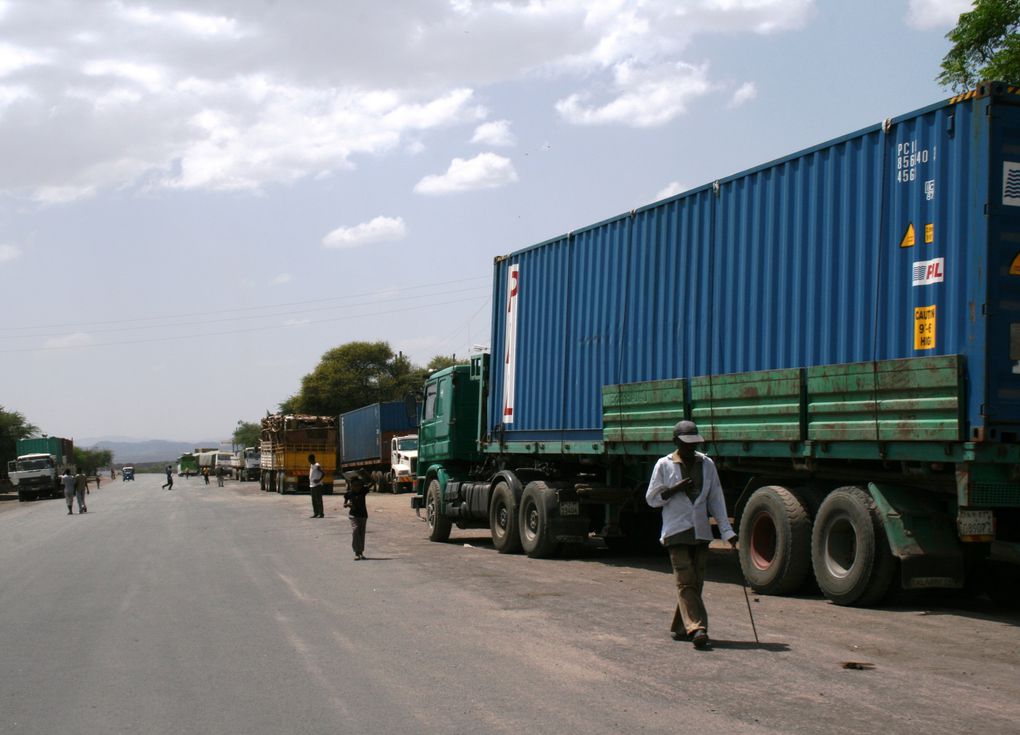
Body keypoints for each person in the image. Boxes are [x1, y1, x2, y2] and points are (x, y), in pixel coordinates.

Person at [646, 420, 737, 650]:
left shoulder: (707, 464)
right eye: (685, 444)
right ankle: (698, 628)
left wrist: (728, 532)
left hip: (700, 531)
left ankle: (681, 626)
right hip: (676, 530)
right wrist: (675, 489)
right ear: (675, 441)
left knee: (695, 582)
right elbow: (652, 499)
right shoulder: (663, 465)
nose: (690, 448)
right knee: (685, 579)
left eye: (693, 443)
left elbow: (716, 498)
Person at [343, 470, 369, 560]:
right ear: (351, 486)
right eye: (354, 486)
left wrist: (364, 474)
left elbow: (372, 482)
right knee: (356, 530)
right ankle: (356, 552)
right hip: (353, 515)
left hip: (363, 515)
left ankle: (360, 552)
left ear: (361, 486)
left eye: (358, 485)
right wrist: (348, 505)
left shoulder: (363, 491)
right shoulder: (349, 494)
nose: (356, 487)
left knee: (361, 534)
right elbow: (344, 504)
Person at [307, 454, 324, 518]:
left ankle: (321, 513)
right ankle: (316, 513)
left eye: (309, 459)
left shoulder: (317, 465)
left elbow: (323, 473)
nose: (308, 461)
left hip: (317, 485)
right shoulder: (311, 465)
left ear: (312, 459)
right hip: (312, 485)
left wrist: (318, 480)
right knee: (314, 500)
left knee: (318, 500)